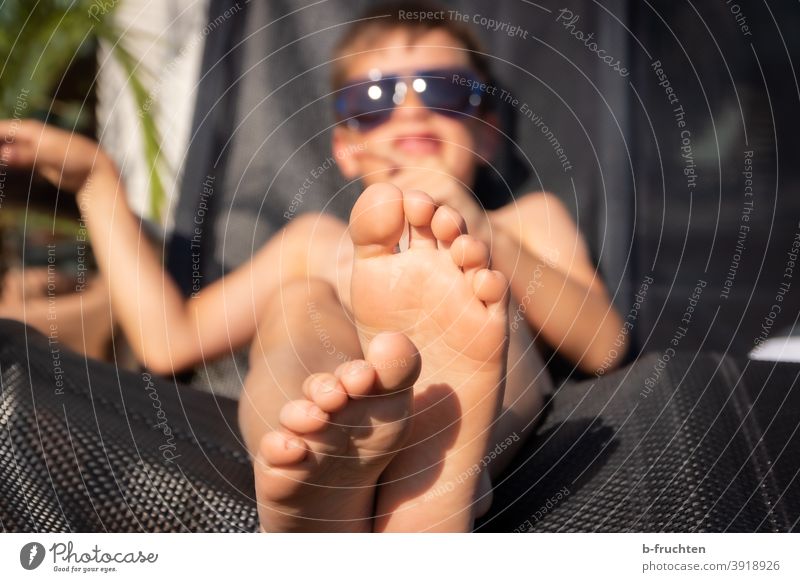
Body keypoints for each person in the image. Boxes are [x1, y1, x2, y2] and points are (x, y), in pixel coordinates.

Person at [0, 2, 625, 532]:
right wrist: (96, 185)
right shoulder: (313, 241)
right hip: (333, 389)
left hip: (476, 414)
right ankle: (323, 469)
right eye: (373, 99)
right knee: (299, 302)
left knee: (481, 310)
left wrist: (480, 230)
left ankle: (437, 471)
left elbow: (604, 345)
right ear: (347, 149)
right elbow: (170, 342)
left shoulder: (528, 221)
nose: (410, 111)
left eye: (443, 91)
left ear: (487, 134)